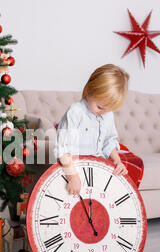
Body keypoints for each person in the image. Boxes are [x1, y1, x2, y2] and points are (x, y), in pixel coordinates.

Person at [54, 64, 129, 195]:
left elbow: (108, 141)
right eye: (100, 107)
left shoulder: (107, 115)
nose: (103, 113)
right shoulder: (76, 112)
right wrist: (72, 176)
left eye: (108, 109)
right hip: (72, 170)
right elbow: (63, 148)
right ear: (89, 91)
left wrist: (117, 162)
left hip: (95, 171)